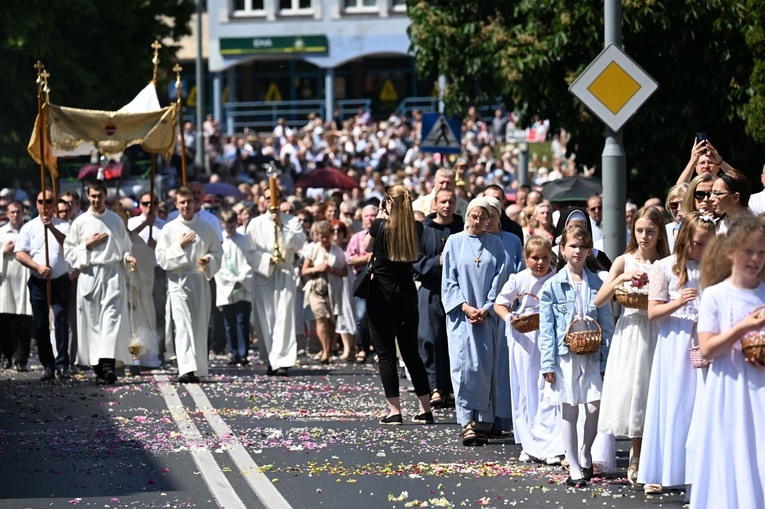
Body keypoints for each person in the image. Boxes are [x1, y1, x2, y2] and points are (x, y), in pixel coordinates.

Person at [638, 212, 717, 494]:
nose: (703, 249)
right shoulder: (665, 267)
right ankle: (664, 468)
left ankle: (698, 473)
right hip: (675, 341)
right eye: (698, 243)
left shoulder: (714, 266)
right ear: (685, 240)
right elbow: (653, 312)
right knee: (674, 404)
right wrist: (678, 302)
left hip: (703, 340)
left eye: (709, 244)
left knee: (701, 406)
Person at [594, 206, 670, 485]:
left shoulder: (667, 262)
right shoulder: (624, 260)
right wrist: (621, 278)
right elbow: (599, 300)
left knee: (656, 391)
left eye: (650, 231)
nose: (644, 236)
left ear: (660, 232)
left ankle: (655, 455)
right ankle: (637, 455)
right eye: (639, 230)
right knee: (636, 389)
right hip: (631, 330)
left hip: (659, 329)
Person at [693, 214, 765, 508]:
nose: (756, 259)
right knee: (731, 452)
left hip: (760, 387)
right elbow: (707, 348)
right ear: (731, 251)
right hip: (729, 388)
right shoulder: (715, 295)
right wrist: (743, 328)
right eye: (749, 251)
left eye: (762, 252)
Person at [538, 224, 614, 487]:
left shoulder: (597, 283)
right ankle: (573, 463)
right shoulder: (552, 286)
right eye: (573, 246)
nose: (578, 251)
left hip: (592, 353)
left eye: (582, 246)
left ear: (589, 250)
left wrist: (607, 359)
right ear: (562, 249)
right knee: (568, 409)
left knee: (594, 405)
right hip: (564, 355)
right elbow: (546, 329)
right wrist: (547, 362)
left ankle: (585, 450)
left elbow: (607, 324)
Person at [364, 184, 433, 425]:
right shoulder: (416, 227)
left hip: (381, 294)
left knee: (385, 354)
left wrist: (382, 216)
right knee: (411, 353)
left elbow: (366, 248)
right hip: (406, 293)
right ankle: (425, 408)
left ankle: (394, 410)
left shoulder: (380, 225)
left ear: (389, 204)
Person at [494, 236, 564, 464]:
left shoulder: (557, 278)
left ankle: (551, 442)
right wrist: (510, 319)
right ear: (526, 258)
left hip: (549, 337)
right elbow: (500, 303)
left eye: (545, 257)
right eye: (535, 258)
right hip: (524, 339)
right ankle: (528, 442)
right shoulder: (519, 279)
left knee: (548, 389)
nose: (540, 263)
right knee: (525, 389)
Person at [442, 197, 506, 443]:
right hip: (462, 316)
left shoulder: (496, 244)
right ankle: (466, 421)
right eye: (474, 216)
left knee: (485, 367)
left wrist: (488, 307)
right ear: (467, 216)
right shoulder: (454, 242)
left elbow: (500, 278)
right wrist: (466, 307)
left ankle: (483, 422)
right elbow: (448, 280)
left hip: (487, 317)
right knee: (463, 367)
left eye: (484, 217)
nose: (479, 221)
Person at [64, 180, 137, 384]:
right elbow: (69, 252)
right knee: (93, 323)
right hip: (90, 274)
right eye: (93, 196)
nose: (96, 200)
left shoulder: (115, 220)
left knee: (111, 320)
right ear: (88, 196)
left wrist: (127, 258)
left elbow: (124, 248)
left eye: (100, 196)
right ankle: (99, 367)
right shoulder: (80, 222)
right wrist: (87, 245)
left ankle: (107, 366)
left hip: (112, 274)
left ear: (106, 196)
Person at [156, 187, 223, 383]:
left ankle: (198, 367)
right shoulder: (169, 229)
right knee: (183, 325)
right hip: (178, 280)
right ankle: (186, 368)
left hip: (199, 280)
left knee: (199, 325)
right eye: (182, 202)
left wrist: (209, 260)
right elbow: (161, 258)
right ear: (176, 204)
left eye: (189, 202)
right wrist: (179, 246)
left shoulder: (206, 227)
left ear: (195, 203)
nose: (186, 205)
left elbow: (218, 253)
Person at [247, 185, 306, 376]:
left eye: (274, 197)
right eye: (267, 197)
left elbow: (298, 242)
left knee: (284, 318)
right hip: (264, 274)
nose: (271, 201)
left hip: (285, 272)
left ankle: (282, 360)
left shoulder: (292, 221)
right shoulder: (255, 224)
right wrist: (266, 260)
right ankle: (270, 359)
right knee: (266, 319)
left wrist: (281, 224)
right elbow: (249, 251)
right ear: (262, 200)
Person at [413, 189, 463, 408]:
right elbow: (416, 262)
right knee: (430, 338)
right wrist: (437, 262)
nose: (447, 205)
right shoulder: (424, 230)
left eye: (451, 201)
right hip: (431, 290)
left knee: (453, 341)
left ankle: (451, 387)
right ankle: (434, 387)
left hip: (458, 292)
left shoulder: (461, 228)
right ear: (434, 204)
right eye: (443, 201)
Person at [15, 189, 71, 381]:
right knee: (40, 324)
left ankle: (63, 364)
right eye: (41, 201)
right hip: (39, 281)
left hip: (60, 280)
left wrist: (51, 228)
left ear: (54, 203)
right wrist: (37, 267)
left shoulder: (63, 225)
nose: (45, 205)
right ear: (36, 203)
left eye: (49, 201)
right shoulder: (29, 227)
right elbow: (20, 253)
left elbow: (69, 244)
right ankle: (48, 365)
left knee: (61, 321)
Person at [484, 195, 523, 434]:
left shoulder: (512, 239)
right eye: (484, 216)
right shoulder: (477, 241)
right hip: (483, 311)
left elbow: (520, 269)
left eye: (493, 215)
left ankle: (504, 417)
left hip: (507, 310)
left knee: (504, 367)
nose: (488, 220)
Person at [127, 192, 169, 365]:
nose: (149, 207)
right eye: (145, 203)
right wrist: (146, 224)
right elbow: (128, 239)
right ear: (141, 205)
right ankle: (139, 350)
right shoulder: (133, 222)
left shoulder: (164, 226)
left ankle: (159, 349)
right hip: (137, 273)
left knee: (158, 311)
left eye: (153, 203)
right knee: (139, 311)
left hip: (157, 270)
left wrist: (156, 246)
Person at [302, 220, 347, 363]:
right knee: (320, 319)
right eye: (321, 236)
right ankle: (325, 351)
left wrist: (332, 270)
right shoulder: (314, 249)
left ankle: (329, 347)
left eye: (326, 236)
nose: (323, 240)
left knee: (331, 320)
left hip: (333, 289)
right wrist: (317, 269)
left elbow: (344, 271)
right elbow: (304, 270)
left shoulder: (337, 251)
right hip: (316, 289)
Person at [215, 210, 253, 366]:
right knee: (229, 322)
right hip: (226, 288)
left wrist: (241, 279)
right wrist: (230, 281)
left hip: (243, 286)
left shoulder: (244, 241)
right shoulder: (219, 241)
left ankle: (243, 353)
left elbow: (249, 261)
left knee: (242, 321)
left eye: (232, 226)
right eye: (226, 226)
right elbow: (218, 264)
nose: (229, 229)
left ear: (236, 224)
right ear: (222, 224)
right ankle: (234, 352)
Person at [0, 200, 32, 371]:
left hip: (24, 279)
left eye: (18, 212)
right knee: (6, 322)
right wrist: (3, 253)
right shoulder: (1, 232)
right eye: (12, 212)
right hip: (6, 280)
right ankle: (7, 355)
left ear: (23, 213)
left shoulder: (29, 231)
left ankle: (22, 359)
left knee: (24, 322)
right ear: (7, 213)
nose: (15, 215)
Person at [346, 204, 377, 363]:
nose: (370, 218)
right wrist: (366, 258)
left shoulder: (382, 233)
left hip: (379, 281)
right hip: (362, 281)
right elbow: (349, 259)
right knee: (361, 316)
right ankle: (363, 347)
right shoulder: (357, 237)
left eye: (373, 215)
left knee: (378, 316)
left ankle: (377, 349)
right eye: (367, 216)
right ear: (362, 219)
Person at [710, 168, 752, 234]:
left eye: (717, 194)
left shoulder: (754, 230)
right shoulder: (716, 225)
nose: (711, 198)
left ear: (735, 197)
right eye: (711, 193)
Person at [664, 183, 687, 252]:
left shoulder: (699, 228)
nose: (679, 208)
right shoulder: (663, 231)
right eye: (674, 205)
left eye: (683, 204)